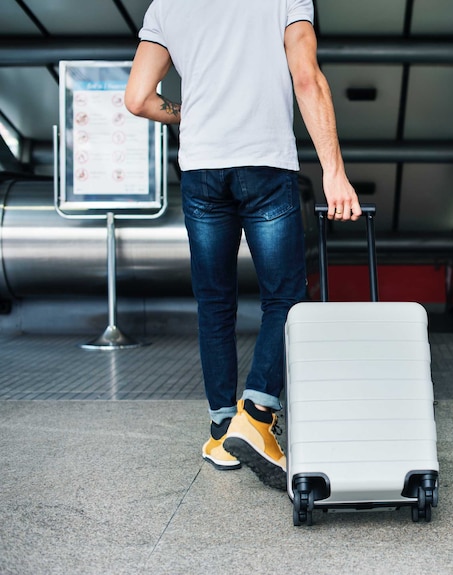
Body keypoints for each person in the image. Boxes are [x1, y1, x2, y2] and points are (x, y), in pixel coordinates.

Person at [124, 0, 361, 490]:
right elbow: (306, 77)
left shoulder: (166, 4)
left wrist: (190, 115)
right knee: (285, 295)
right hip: (265, 163)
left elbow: (138, 98)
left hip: (202, 168)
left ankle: (219, 431)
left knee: (214, 301)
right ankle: (255, 415)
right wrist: (334, 172)